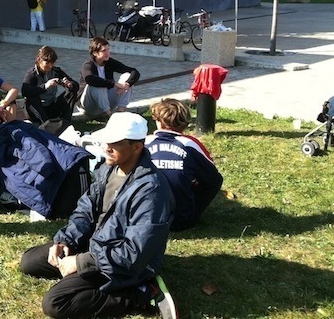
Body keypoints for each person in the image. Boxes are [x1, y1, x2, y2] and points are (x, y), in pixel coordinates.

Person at [19, 112, 177, 319]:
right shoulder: (108, 168)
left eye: (114, 143)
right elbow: (86, 208)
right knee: (30, 262)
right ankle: (80, 271)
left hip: (128, 263)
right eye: (105, 141)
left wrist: (81, 262)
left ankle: (142, 294)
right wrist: (66, 239)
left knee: (55, 303)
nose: (106, 147)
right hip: (98, 245)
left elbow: (133, 254)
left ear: (136, 147)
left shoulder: (152, 191)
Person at [146, 98, 223, 231]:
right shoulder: (191, 144)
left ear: (158, 120)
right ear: (186, 122)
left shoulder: (144, 143)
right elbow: (213, 179)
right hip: (181, 221)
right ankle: (189, 211)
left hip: (144, 219)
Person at [77, 36, 140, 119]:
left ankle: (121, 113)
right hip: (89, 106)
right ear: (95, 53)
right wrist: (115, 84)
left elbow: (134, 71)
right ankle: (109, 117)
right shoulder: (88, 65)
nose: (107, 53)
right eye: (103, 50)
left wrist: (127, 85)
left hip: (106, 101)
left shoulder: (109, 62)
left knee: (127, 76)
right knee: (97, 85)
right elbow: (89, 79)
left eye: (108, 49)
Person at [21, 46, 79, 125]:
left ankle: (65, 123)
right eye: (47, 63)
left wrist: (69, 84)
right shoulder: (31, 74)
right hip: (38, 110)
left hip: (51, 106)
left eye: (52, 63)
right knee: (32, 97)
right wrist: (45, 86)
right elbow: (24, 91)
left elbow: (76, 85)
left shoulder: (55, 71)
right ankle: (45, 124)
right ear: (39, 60)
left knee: (72, 92)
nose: (50, 66)